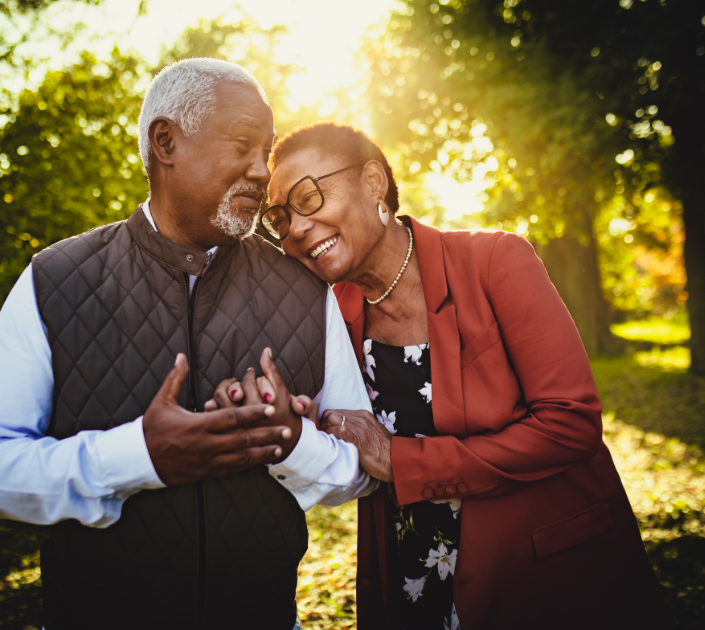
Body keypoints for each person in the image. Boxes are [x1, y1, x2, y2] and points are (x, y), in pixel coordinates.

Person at [0, 61, 377, 630]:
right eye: (244, 145)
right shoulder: (56, 280)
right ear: (166, 142)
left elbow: (361, 469)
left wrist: (291, 441)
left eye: (266, 152)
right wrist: (138, 457)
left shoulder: (305, 291)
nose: (260, 171)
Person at [261, 121, 668, 629]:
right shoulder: (329, 317)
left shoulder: (495, 261)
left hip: (540, 572)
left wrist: (402, 460)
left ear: (372, 182)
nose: (295, 229)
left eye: (308, 198)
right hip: (413, 573)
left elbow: (571, 422)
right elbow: (331, 435)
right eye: (279, 219)